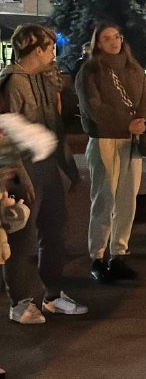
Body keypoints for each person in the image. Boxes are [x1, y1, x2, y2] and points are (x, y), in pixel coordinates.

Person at [0, 24, 87, 322]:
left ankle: (52, 295)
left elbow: (54, 127)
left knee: (54, 231)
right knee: (21, 238)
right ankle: (20, 303)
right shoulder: (12, 83)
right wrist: (22, 179)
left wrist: (70, 170)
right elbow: (7, 135)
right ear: (36, 49)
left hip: (48, 169)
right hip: (24, 173)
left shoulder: (43, 79)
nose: (53, 52)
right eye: (50, 47)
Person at [75, 22, 146, 283]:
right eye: (106, 38)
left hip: (131, 141)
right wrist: (126, 123)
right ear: (97, 42)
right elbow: (93, 109)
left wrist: (144, 123)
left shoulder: (134, 69)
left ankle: (119, 253)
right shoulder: (89, 71)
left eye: (116, 37)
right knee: (104, 198)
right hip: (104, 141)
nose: (113, 42)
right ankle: (97, 256)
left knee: (126, 200)